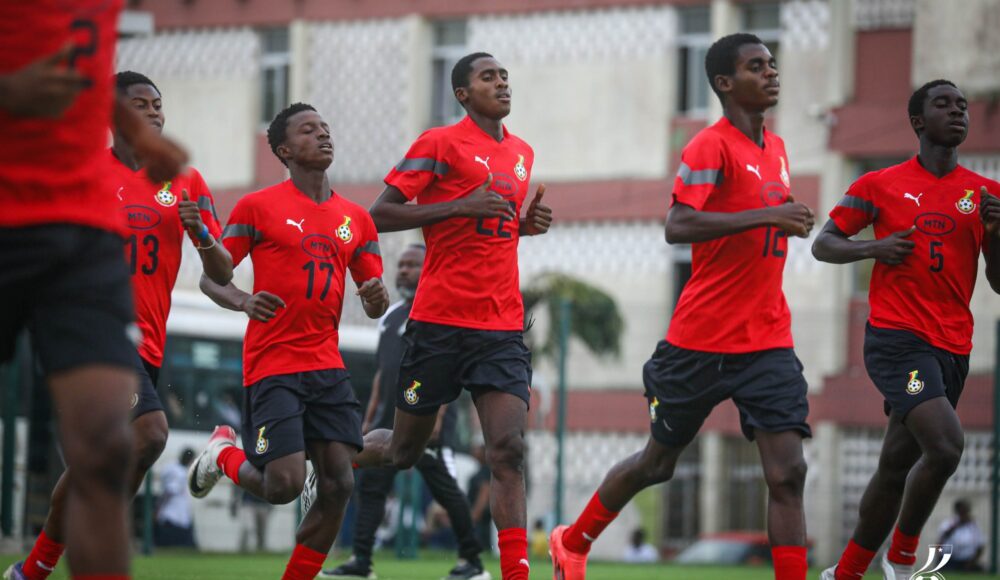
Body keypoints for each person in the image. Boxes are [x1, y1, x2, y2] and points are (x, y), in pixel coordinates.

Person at [548, 33, 816, 580]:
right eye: (756, 66)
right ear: (724, 83)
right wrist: (769, 217)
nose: (771, 72)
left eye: (772, 63)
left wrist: (784, 217)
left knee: (788, 473)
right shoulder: (708, 146)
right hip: (700, 342)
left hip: (768, 339)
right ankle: (573, 542)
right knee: (657, 464)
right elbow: (678, 224)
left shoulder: (778, 149)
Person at [6, 70, 232, 580]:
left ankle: (33, 569)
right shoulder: (84, 173)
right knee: (151, 434)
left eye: (158, 104)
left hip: (148, 342)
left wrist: (201, 234)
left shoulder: (186, 181)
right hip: (95, 329)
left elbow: (222, 272)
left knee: (97, 463)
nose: (153, 112)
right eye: (140, 103)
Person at [0, 2, 186, 578]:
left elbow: (86, 78)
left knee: (113, 447)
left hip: (82, 234)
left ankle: (33, 570)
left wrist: (134, 129)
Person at [354, 51, 552, 580]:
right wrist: (459, 205)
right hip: (439, 325)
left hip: (501, 327)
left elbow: (491, 228)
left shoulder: (521, 152)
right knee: (402, 451)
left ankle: (515, 574)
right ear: (463, 94)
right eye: (489, 77)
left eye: (504, 76)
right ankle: (327, 458)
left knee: (508, 450)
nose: (502, 83)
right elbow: (379, 215)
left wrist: (523, 226)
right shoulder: (439, 144)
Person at [188, 102, 390, 580]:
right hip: (273, 364)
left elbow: (375, 302)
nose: (322, 135)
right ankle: (223, 454)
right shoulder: (257, 207)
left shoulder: (356, 219)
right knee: (283, 485)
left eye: (325, 128)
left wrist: (377, 297)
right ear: (284, 150)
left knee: (339, 484)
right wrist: (243, 300)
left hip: (327, 366)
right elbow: (212, 278)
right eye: (308, 130)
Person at [815, 79, 1000, 580]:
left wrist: (998, 234)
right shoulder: (877, 184)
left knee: (896, 464)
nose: (958, 111)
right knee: (946, 445)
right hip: (897, 341)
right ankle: (901, 557)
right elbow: (824, 244)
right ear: (918, 121)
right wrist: (874, 248)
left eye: (963, 105)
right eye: (944, 104)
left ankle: (846, 573)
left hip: (953, 346)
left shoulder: (985, 195)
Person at [321, 244, 488, 580]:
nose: (404, 271)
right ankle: (361, 562)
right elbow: (383, 373)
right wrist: (369, 420)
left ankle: (472, 563)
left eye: (413, 265)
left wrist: (438, 417)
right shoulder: (390, 316)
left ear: (429, 269)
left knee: (446, 491)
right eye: (402, 265)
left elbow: (447, 370)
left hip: (427, 421)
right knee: (371, 489)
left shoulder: (441, 311)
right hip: (388, 422)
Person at [155, 448, 197, 548]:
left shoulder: (171, 467)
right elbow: (169, 491)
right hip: (174, 516)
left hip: (176, 516)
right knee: (175, 547)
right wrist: (158, 509)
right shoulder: (179, 473)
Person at [939, 499, 985, 571]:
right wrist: (957, 524)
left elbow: (980, 545)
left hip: (968, 561)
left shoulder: (974, 526)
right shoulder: (948, 523)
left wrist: (973, 561)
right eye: (962, 511)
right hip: (950, 560)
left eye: (966, 511)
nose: (964, 514)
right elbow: (943, 537)